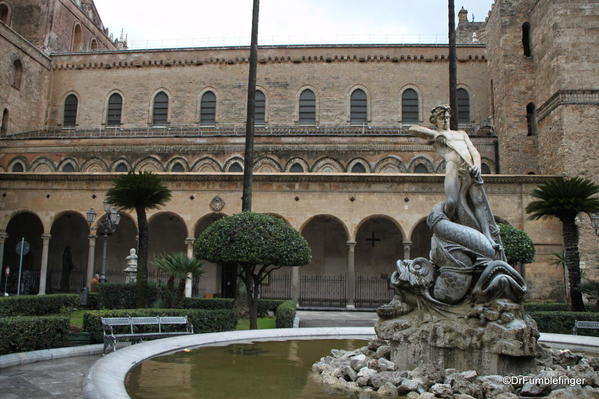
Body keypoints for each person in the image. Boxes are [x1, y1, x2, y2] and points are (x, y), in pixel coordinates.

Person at [409, 105, 499, 250]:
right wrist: (436, 135)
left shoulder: (461, 134)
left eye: (446, 117)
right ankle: (448, 230)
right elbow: (412, 129)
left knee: (479, 202)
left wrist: (477, 166)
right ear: (435, 121)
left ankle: (487, 236)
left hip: (470, 170)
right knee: (452, 202)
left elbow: (474, 151)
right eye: (441, 118)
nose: (445, 120)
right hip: (453, 167)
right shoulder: (435, 137)